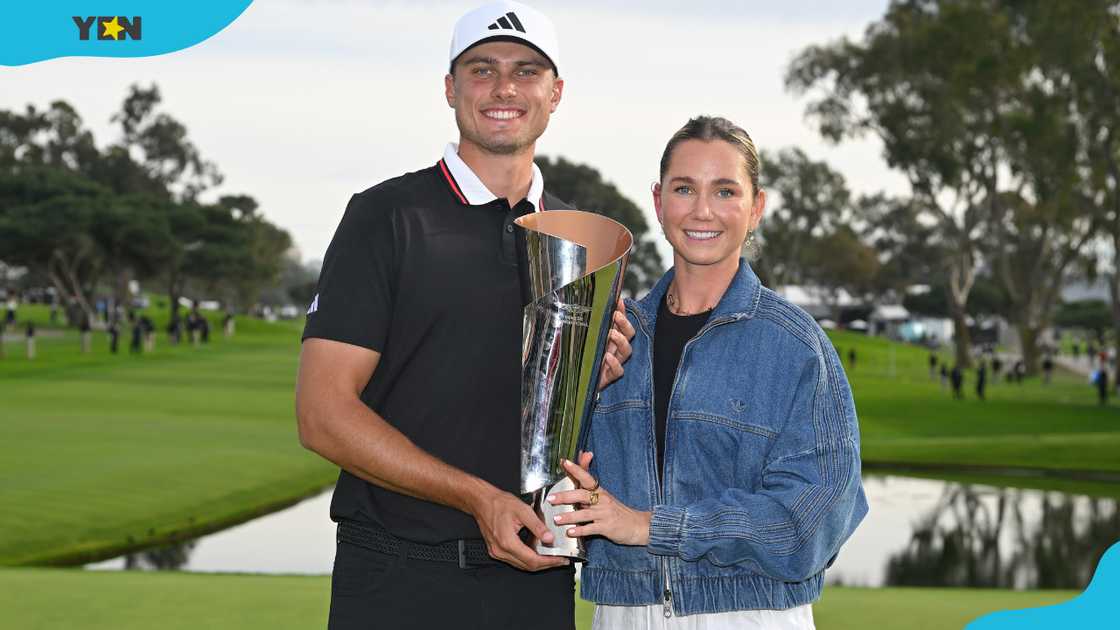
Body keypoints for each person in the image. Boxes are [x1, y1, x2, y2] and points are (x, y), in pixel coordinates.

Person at [295, 3, 633, 628]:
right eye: (482, 70)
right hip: (399, 581)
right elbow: (322, 415)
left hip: (535, 581)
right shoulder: (386, 217)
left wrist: (593, 388)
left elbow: (562, 430)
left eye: (528, 71)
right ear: (450, 88)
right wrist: (477, 498)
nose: (505, 87)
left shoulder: (581, 242)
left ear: (555, 93)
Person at [550, 116, 867, 628]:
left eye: (724, 191)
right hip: (625, 613)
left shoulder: (796, 347)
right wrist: (580, 405)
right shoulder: (610, 335)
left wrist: (654, 527)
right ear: (658, 201)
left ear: (756, 207)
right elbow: (555, 491)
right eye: (684, 189)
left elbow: (814, 524)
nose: (702, 211)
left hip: (750, 615)